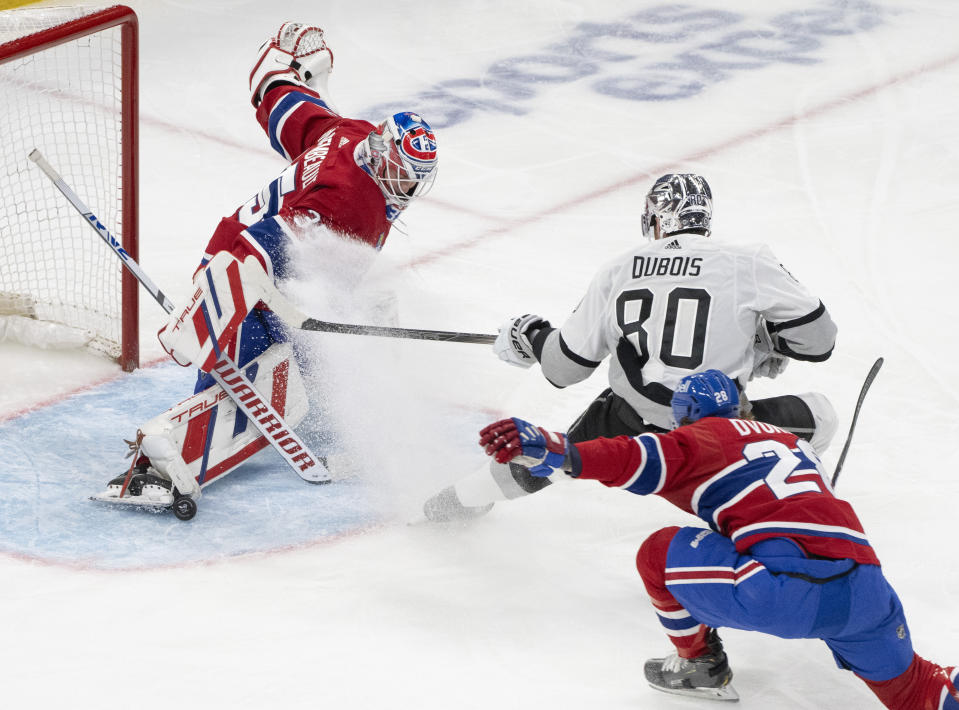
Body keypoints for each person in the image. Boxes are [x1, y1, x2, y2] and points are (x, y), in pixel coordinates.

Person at [95, 22, 439, 510]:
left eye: (414, 181)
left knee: (367, 317)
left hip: (268, 266)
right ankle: (158, 467)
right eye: (402, 177)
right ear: (383, 157)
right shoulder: (347, 202)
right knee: (245, 371)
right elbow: (264, 247)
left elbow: (282, 100)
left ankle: (338, 414)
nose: (405, 192)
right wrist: (202, 318)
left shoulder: (351, 136)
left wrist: (285, 65)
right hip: (241, 271)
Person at [477, 369, 959, 707]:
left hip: (784, 587)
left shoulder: (703, 437)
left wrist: (558, 449)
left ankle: (698, 666)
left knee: (658, 554)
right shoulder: (791, 440)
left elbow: (631, 456)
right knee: (917, 690)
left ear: (685, 417)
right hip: (867, 592)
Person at [423, 173, 838, 522]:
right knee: (821, 415)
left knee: (551, 459)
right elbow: (820, 341)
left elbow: (564, 369)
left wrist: (531, 336)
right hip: (717, 435)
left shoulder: (620, 269)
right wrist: (765, 337)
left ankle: (446, 506)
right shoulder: (746, 261)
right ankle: (786, 494)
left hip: (632, 421)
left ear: (657, 218)